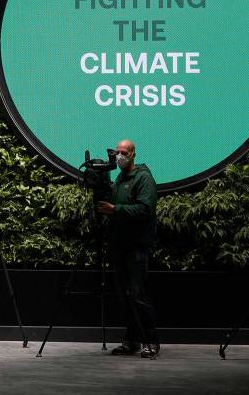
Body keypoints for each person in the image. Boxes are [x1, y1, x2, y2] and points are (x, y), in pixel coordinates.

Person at [97, 139, 160, 358]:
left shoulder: (143, 178)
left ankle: (150, 341)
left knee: (138, 294)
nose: (120, 156)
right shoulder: (119, 179)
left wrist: (115, 209)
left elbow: (145, 209)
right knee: (125, 296)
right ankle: (132, 340)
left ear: (133, 154)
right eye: (117, 152)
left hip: (136, 246)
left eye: (124, 152)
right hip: (119, 245)